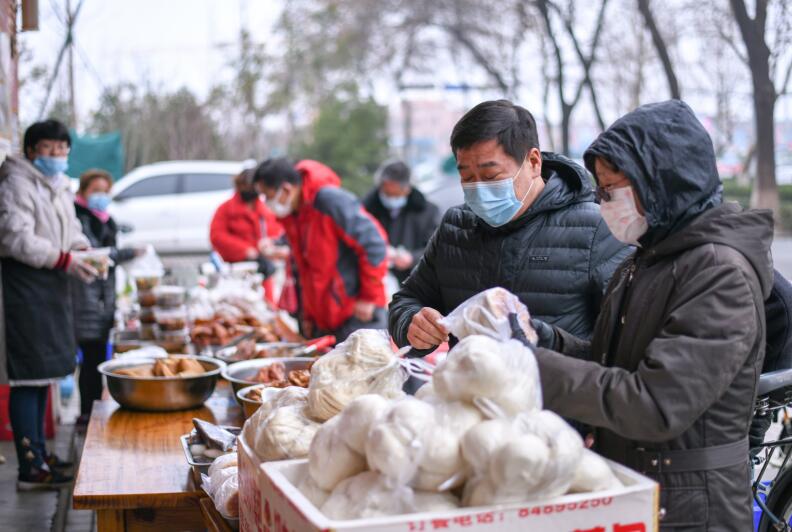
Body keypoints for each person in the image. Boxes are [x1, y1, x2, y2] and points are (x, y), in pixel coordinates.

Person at [527, 100, 773, 530]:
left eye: (613, 189)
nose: (604, 202)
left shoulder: (719, 273)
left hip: (690, 508)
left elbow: (655, 403)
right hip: (643, 489)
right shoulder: (647, 258)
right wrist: (543, 340)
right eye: (599, 191)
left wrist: (535, 368)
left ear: (663, 183)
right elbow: (616, 363)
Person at [388, 100, 630, 355]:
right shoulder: (455, 227)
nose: (479, 188)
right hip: (468, 390)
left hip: (556, 391)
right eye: (467, 178)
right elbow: (406, 299)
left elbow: (621, 342)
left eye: (491, 176)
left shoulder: (595, 229)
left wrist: (546, 342)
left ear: (534, 162)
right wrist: (412, 323)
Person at [0, 119, 98, 490]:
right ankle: (30, 466)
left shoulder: (56, 185)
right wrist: (63, 259)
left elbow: (70, 229)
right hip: (24, 288)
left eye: (62, 150)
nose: (57, 156)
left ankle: (40, 453)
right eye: (49, 149)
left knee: (44, 376)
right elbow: (14, 238)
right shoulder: (16, 183)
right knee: (28, 376)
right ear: (31, 151)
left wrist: (83, 250)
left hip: (51, 285)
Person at [253, 158, 388, 341]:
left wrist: (368, 297)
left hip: (355, 313)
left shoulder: (329, 201)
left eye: (267, 196)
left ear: (286, 189)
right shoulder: (296, 212)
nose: (266, 203)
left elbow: (374, 243)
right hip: (323, 314)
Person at [71, 169, 140, 426]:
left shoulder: (106, 219)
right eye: (95, 191)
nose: (101, 196)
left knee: (98, 357)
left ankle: (94, 411)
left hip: (103, 299)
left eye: (105, 191)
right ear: (83, 192)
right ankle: (87, 413)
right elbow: (94, 255)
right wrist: (127, 253)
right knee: (89, 361)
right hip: (84, 297)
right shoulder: (78, 218)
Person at [209, 168, 285, 303]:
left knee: (266, 309)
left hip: (262, 270)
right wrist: (245, 250)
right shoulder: (226, 210)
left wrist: (271, 245)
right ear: (240, 186)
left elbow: (276, 232)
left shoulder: (264, 209)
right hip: (236, 272)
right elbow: (217, 236)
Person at [362, 160, 441, 284]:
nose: (391, 198)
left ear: (407, 189)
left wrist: (412, 258)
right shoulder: (366, 209)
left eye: (396, 194)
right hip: (376, 279)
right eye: (387, 193)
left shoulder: (428, 211)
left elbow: (437, 248)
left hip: (415, 281)